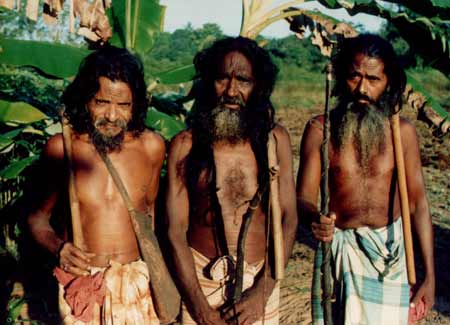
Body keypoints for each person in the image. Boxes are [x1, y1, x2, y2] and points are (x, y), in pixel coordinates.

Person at [296, 34, 435, 324]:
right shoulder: (321, 130)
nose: (362, 88)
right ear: (341, 77)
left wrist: (429, 276)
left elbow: (418, 203)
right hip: (341, 254)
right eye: (354, 76)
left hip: (391, 257)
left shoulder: (403, 134)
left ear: (389, 83)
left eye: (373, 79)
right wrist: (315, 217)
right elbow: (303, 197)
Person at [27, 46, 165, 324]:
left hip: (136, 288)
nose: (112, 116)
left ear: (135, 105)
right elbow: (36, 217)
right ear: (86, 100)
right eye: (102, 102)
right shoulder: (62, 149)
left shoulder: (151, 147)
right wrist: (58, 248)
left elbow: (150, 215)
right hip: (83, 288)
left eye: (123, 105)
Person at [166, 36, 298, 325]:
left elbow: (287, 219)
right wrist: (199, 307)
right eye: (222, 79)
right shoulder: (185, 145)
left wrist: (262, 293)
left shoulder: (274, 141)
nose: (231, 91)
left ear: (259, 87)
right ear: (208, 83)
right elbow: (174, 231)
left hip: (260, 284)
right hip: (201, 286)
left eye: (244, 81)